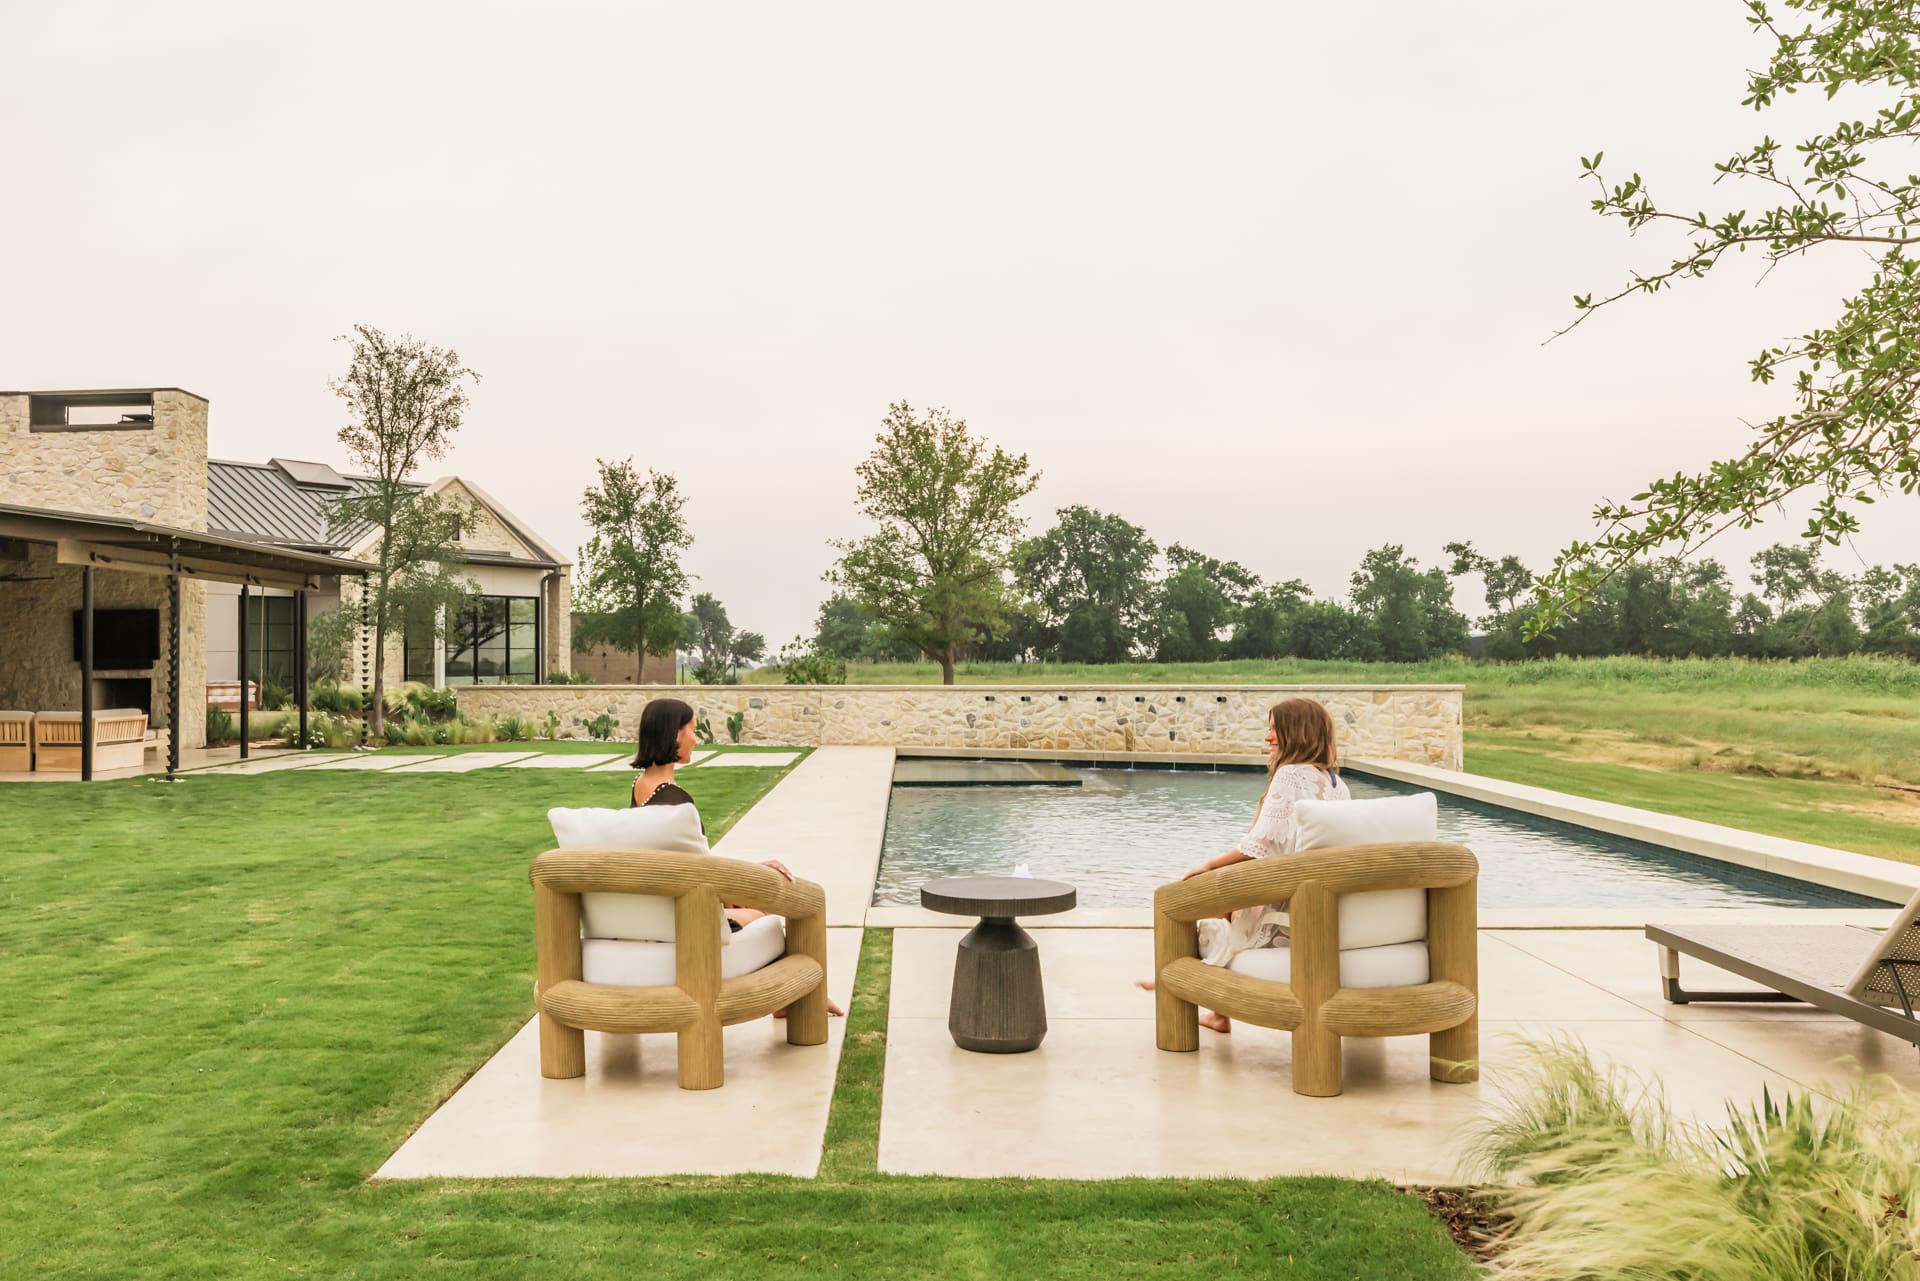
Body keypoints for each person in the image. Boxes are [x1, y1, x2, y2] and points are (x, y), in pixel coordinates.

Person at [1137, 697, 1352, 1033]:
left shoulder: (1291, 775)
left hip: (1286, 915)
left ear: (1296, 732)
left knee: (1178, 902)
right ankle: (1218, 1014)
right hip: (1316, 906)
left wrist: (1208, 867)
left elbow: (1260, 845)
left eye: (1274, 729)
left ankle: (1172, 980)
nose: (1267, 738)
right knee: (1225, 907)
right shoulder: (1338, 785)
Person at [628, 697, 842, 1017]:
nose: (696, 738)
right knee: (774, 913)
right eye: (691, 729)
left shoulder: (641, 787)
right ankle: (806, 995)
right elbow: (699, 869)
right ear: (674, 735)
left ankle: (794, 998)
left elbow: (687, 860)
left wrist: (739, 881)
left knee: (751, 904)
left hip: (665, 909)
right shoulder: (675, 801)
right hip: (691, 921)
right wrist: (745, 881)